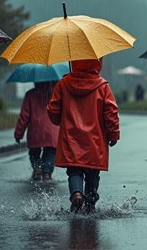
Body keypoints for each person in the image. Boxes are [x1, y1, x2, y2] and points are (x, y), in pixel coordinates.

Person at [46, 59, 119, 213]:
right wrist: (113, 134)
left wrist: (61, 117)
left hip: (71, 138)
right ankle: (90, 203)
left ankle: (76, 193)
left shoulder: (63, 84)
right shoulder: (102, 86)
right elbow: (111, 112)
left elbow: (53, 110)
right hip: (95, 140)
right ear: (98, 62)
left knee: (74, 170)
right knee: (92, 172)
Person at [14, 81, 60, 181]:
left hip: (35, 131)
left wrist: (19, 133)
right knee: (50, 153)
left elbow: (24, 116)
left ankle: (37, 168)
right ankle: (47, 172)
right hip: (51, 131)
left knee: (34, 153)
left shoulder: (30, 94)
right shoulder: (55, 94)